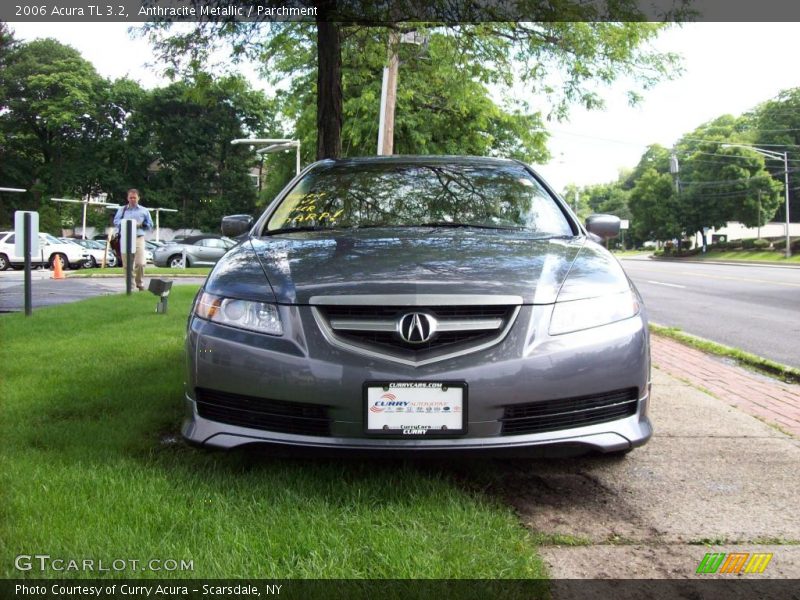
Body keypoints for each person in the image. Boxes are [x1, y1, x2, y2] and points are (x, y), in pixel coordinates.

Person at [113, 188, 154, 291]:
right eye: (130, 197)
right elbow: (116, 222)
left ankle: (139, 282)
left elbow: (150, 225)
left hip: (138, 237)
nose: (132, 199)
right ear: (127, 198)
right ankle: (130, 288)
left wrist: (140, 224)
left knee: (140, 263)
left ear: (138, 198)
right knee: (127, 265)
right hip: (125, 237)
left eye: (134, 198)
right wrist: (126, 223)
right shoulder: (122, 210)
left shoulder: (144, 210)